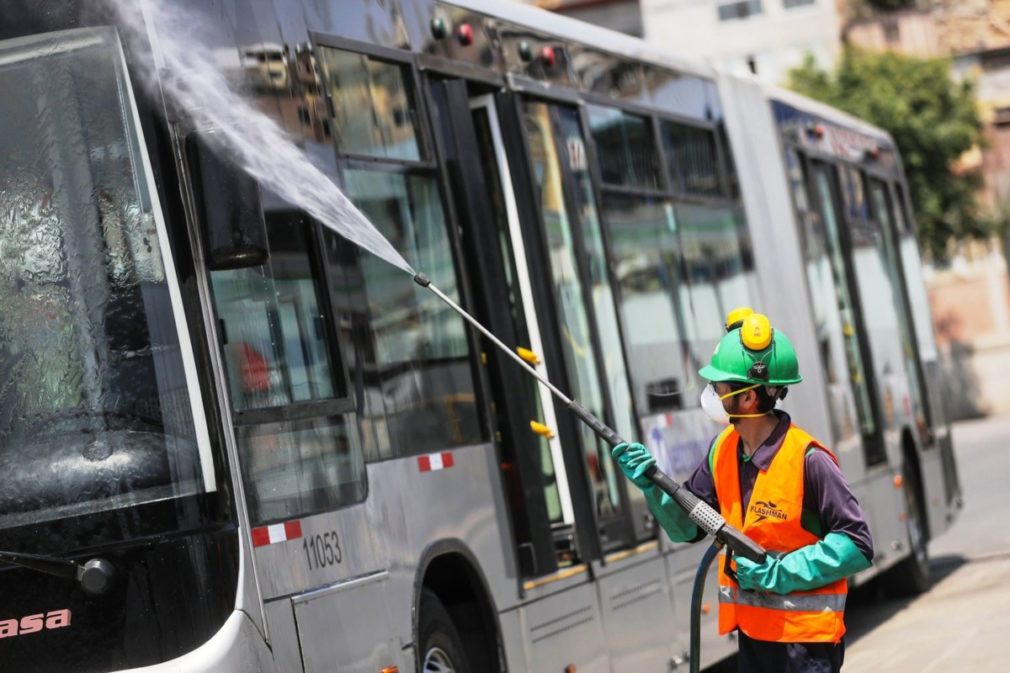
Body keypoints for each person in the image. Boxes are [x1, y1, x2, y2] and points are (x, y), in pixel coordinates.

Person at [612, 309, 873, 673]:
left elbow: (858, 545)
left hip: (805, 646)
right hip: (754, 639)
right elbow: (687, 529)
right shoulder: (723, 451)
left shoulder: (808, 459)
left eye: (719, 386)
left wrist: (779, 573)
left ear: (749, 398)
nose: (712, 393)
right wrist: (651, 486)